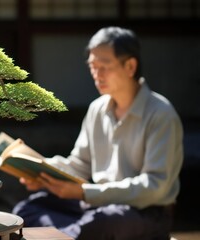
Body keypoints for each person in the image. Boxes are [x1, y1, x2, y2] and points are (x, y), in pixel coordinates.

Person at [12, 26, 183, 240]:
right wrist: (42, 171)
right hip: (97, 203)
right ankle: (69, 234)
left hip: (145, 212)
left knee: (100, 224)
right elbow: (80, 165)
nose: (97, 74)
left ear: (130, 66)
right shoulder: (97, 109)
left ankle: (67, 234)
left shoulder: (160, 113)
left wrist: (86, 193)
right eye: (93, 66)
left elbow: (154, 186)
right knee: (26, 211)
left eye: (105, 66)